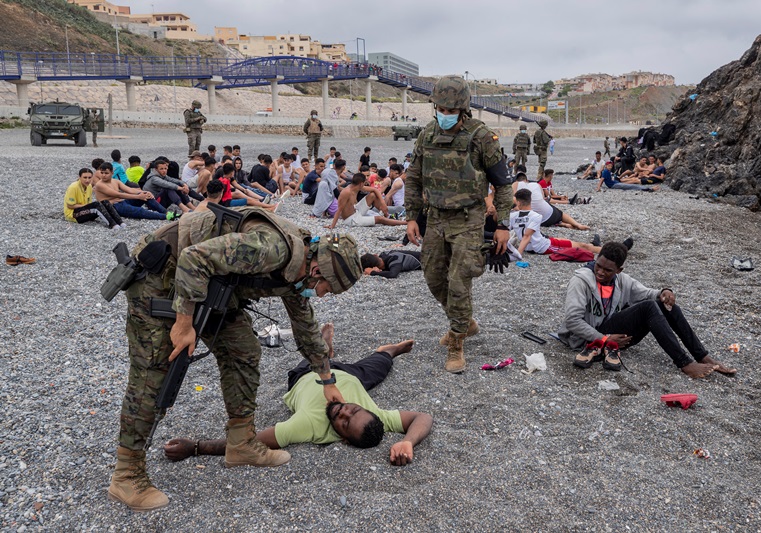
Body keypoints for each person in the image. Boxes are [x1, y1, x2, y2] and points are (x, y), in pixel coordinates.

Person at [108, 210, 364, 511]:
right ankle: (127, 473)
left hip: (214, 286)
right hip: (162, 276)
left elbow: (304, 325)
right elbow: (193, 258)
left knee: (243, 350)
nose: (321, 295)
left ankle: (241, 444)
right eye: (327, 290)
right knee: (154, 371)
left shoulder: (299, 268)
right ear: (318, 272)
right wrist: (183, 322)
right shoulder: (272, 250)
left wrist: (326, 379)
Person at [163, 327, 432, 466]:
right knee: (382, 365)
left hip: (307, 375)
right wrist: (408, 442)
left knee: (316, 360)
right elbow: (423, 417)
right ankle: (388, 350)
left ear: (342, 439)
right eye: (355, 410)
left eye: (346, 422)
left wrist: (195, 447)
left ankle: (324, 351)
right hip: (354, 377)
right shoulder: (378, 418)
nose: (345, 411)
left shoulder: (309, 427)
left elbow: (247, 441)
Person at [405, 75, 513, 373]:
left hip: (469, 218)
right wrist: (411, 217)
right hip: (436, 216)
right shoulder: (426, 134)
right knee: (433, 275)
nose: (446, 114)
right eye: (441, 108)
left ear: (463, 108)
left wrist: (502, 224)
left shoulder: (482, 137)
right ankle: (465, 322)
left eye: (451, 110)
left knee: (458, 279)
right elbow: (413, 177)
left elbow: (503, 185)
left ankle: (456, 342)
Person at [558, 242, 737, 379]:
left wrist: (665, 292)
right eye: (599, 266)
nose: (601, 272)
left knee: (665, 304)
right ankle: (684, 363)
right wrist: (604, 339)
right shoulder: (581, 281)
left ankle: (703, 356)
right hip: (587, 340)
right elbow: (573, 320)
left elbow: (647, 293)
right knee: (648, 307)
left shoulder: (621, 279)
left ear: (619, 270)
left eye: (608, 270)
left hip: (611, 335)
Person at [510, 189, 601, 256]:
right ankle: (604, 251)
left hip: (539, 242)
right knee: (582, 246)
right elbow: (527, 236)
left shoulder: (512, 216)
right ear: (530, 200)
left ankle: (592, 245)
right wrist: (518, 254)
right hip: (542, 246)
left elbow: (508, 231)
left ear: (518, 202)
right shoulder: (536, 216)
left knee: (566, 241)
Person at [327, 173, 407, 229]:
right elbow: (339, 210)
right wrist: (332, 226)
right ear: (361, 184)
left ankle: (388, 215)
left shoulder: (357, 187)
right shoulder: (346, 192)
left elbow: (374, 190)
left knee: (372, 195)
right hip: (351, 219)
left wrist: (383, 204)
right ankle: (405, 223)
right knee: (379, 219)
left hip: (356, 210)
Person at [93, 162, 168, 220]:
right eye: (102, 173)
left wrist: (144, 192)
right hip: (113, 207)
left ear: (112, 173)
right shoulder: (99, 185)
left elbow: (129, 190)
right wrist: (138, 196)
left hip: (122, 202)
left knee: (146, 195)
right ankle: (166, 217)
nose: (103, 175)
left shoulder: (115, 181)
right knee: (140, 211)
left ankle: (166, 212)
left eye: (106, 173)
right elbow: (118, 194)